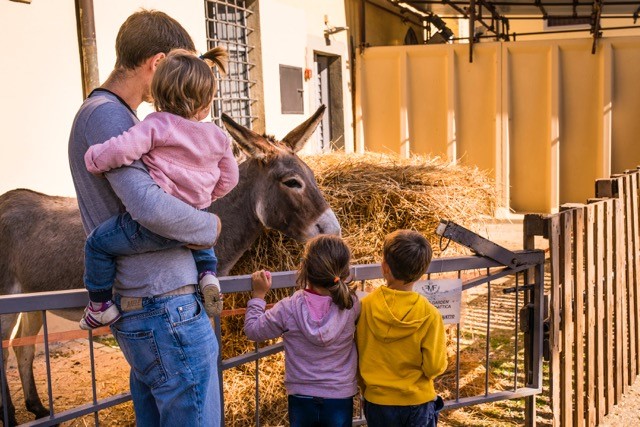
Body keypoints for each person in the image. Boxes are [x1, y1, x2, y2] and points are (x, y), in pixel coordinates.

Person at [68, 10, 222, 426]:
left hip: (158, 309)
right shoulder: (108, 115)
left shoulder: (122, 117)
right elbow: (150, 208)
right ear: (156, 63)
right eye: (176, 67)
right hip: (164, 308)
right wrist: (209, 228)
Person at [79, 47, 238, 330]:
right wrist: (208, 195)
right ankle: (208, 274)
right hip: (193, 219)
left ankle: (100, 305)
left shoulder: (157, 124)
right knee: (199, 235)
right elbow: (230, 178)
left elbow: (122, 149)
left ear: (160, 95)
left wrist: (93, 159)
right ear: (207, 103)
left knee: (97, 243)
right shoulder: (218, 136)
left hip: (155, 228)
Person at [244, 235, 360, 427]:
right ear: (344, 271)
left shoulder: (288, 307)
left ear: (305, 269)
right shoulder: (352, 304)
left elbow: (253, 330)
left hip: (301, 395)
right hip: (339, 394)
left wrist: (258, 296)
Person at [356, 230, 447, 427]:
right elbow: (434, 367)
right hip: (417, 402)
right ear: (422, 271)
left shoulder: (365, 307)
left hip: (378, 402)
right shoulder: (430, 315)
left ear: (385, 268)